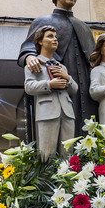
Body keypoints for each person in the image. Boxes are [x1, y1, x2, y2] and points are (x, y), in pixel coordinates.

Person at [18, 0, 97, 135]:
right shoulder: (42, 21)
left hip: (84, 90)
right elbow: (28, 49)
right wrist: (29, 56)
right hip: (58, 91)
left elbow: (96, 60)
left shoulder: (84, 27)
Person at [24, 25, 78, 160]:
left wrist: (68, 78)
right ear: (40, 41)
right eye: (50, 36)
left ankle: (67, 180)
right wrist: (49, 84)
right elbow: (29, 87)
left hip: (67, 112)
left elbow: (74, 89)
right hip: (47, 112)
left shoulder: (62, 66)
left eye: (56, 37)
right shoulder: (33, 64)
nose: (55, 40)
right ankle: (48, 181)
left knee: (68, 153)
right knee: (47, 153)